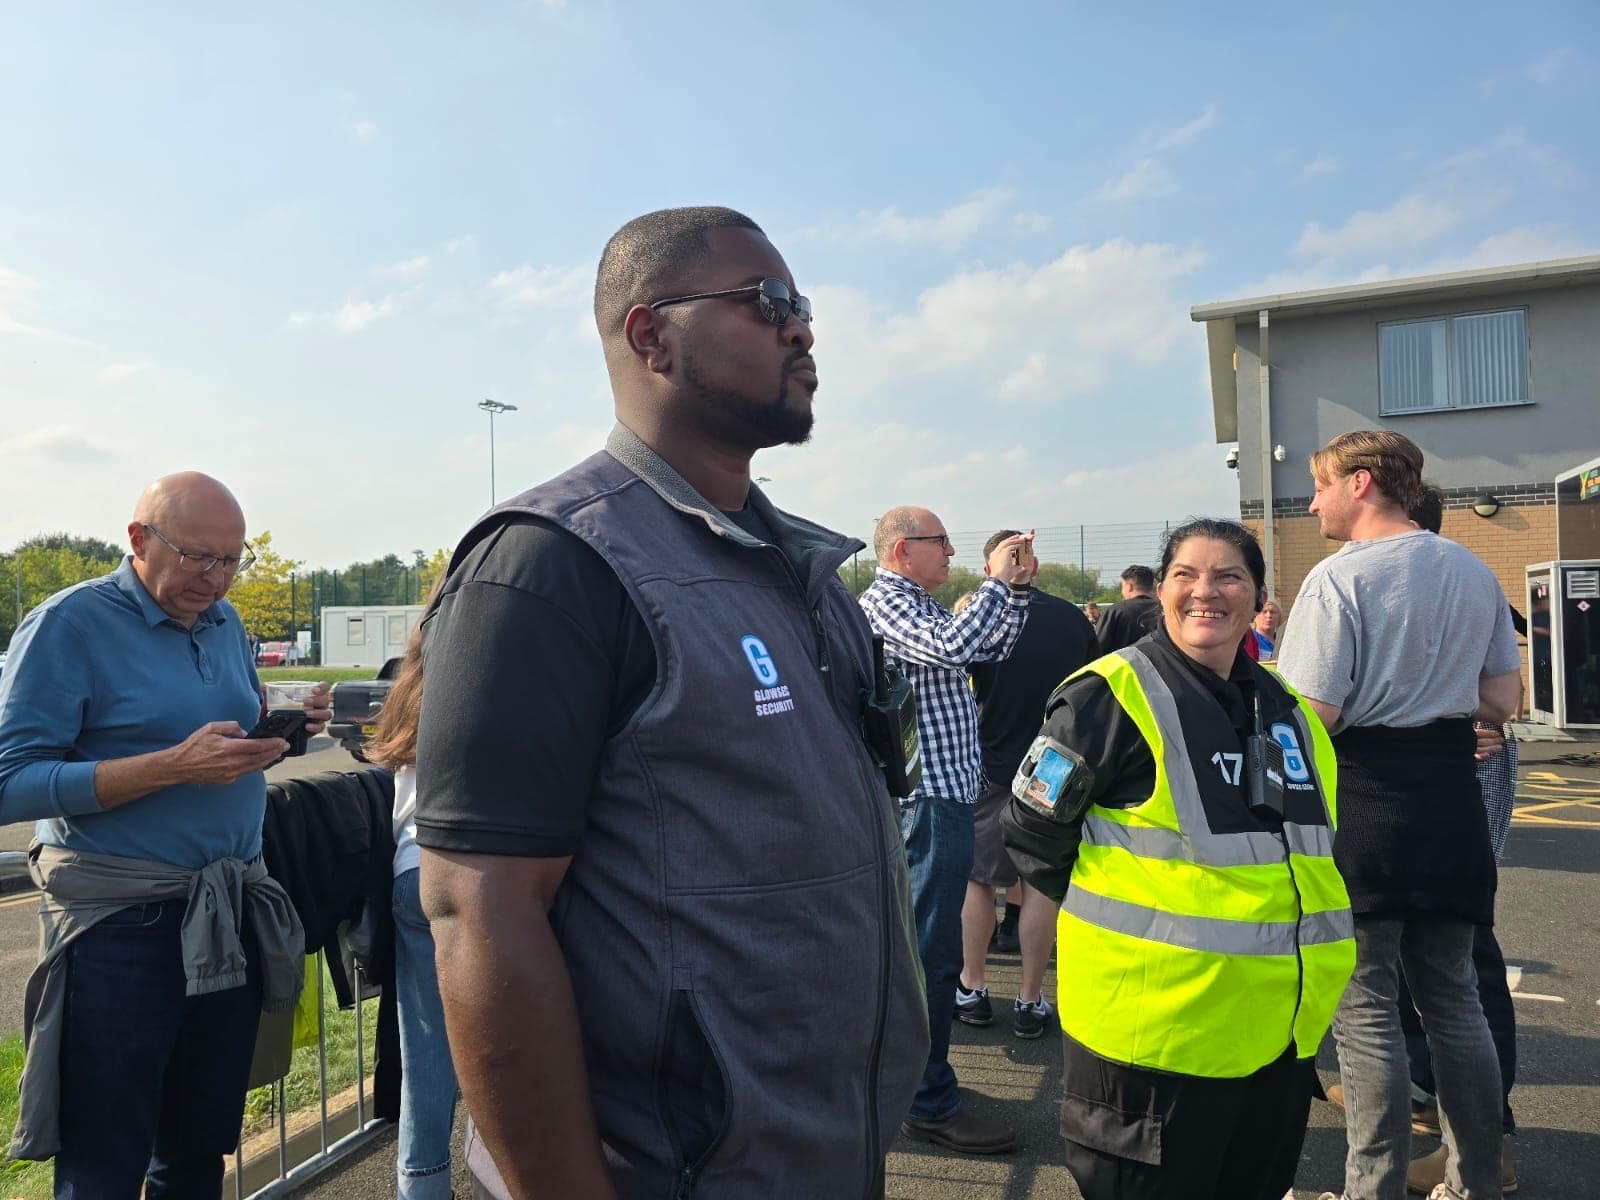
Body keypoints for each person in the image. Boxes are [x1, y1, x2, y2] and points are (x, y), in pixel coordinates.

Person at [414, 207, 928, 1200]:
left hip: (812, 1153)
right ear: (650, 335)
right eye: (768, 303)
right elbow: (478, 912)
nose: (802, 330)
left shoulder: (803, 572)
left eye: (803, 306)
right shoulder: (550, 565)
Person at [1002, 518, 1354, 1200]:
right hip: (1152, 1046)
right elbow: (1033, 832)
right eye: (1186, 575)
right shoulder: (1109, 698)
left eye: (1229, 577)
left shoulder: (1286, 711)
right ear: (1160, 591)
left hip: (1275, 1040)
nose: (1206, 592)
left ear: (1256, 597)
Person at [0, 471, 324, 1199]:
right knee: (103, 1158)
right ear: (139, 540)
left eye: (232, 559)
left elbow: (220, 740)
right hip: (121, 927)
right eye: (197, 558)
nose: (215, 579)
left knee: (197, 1150)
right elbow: (10, 781)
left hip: (228, 909)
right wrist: (171, 767)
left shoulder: (225, 621)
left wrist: (282, 738)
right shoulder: (68, 624)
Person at [1275, 430, 1521, 1200]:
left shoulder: (1337, 579)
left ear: (1361, 481)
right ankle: (1475, 1180)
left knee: (1367, 1007)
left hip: (1367, 803)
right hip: (1451, 805)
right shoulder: (1473, 571)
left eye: (1319, 485)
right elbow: (1502, 701)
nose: (1312, 502)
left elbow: (1316, 710)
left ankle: (1369, 1189)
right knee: (1453, 998)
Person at [859, 508, 1033, 1155]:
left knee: (929, 947)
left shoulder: (920, 604)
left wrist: (1012, 591)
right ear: (905, 549)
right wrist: (995, 579)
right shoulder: (887, 605)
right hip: (930, 801)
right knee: (932, 952)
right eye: (942, 543)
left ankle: (919, 1082)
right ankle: (929, 1102)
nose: (952, 552)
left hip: (945, 796)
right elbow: (961, 647)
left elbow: (992, 646)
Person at [1399, 484, 1521, 1196]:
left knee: (1461, 960)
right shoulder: (1462, 578)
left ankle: (1484, 1140)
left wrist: (1473, 716)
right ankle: (1426, 1094)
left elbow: (1501, 695)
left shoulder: (1445, 582)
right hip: (1448, 781)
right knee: (1417, 958)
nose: (1319, 506)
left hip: (1450, 785)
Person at [959, 528, 1098, 1040]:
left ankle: (972, 986)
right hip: (1055, 764)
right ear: (1033, 564)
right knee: (1040, 882)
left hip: (991, 760)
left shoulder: (978, 617)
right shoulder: (1069, 619)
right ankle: (1031, 997)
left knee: (978, 879)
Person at [365, 603, 457, 1200]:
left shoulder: (414, 684)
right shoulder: (488, 676)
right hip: (468, 873)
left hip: (410, 871)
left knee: (425, 1053)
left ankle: (421, 1185)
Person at [1095, 564, 1160, 653]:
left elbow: (1098, 646)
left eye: (1123, 586)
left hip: (1121, 664)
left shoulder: (1116, 611)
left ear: (1129, 587)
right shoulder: (1165, 610)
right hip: (1160, 665)